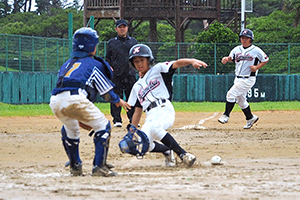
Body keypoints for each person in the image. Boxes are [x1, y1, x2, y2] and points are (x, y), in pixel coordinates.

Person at [49, 27, 131, 177]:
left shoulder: (68, 63)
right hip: (76, 98)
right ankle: (99, 166)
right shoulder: (94, 64)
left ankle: (75, 166)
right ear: (93, 47)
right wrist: (119, 101)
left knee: (70, 127)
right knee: (103, 126)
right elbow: (106, 93)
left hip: (55, 100)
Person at [123, 44, 208, 167]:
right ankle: (166, 150)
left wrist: (192, 61)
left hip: (164, 109)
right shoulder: (136, 87)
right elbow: (137, 110)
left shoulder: (158, 69)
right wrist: (132, 130)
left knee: (155, 128)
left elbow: (177, 63)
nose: (139, 64)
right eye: (136, 61)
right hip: (150, 115)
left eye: (142, 60)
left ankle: (183, 154)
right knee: (141, 144)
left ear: (149, 60)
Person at [218, 29, 269, 129]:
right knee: (241, 100)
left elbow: (265, 59)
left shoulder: (256, 50)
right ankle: (250, 118)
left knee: (231, 94)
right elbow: (231, 59)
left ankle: (226, 115)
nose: (244, 40)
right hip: (237, 78)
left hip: (248, 78)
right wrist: (226, 59)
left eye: (246, 38)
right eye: (242, 38)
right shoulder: (236, 49)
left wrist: (256, 67)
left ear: (251, 39)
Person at [105, 19, 138, 128]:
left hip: (130, 74)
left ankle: (133, 119)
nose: (122, 29)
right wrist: (109, 69)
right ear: (116, 29)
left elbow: (137, 57)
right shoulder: (111, 43)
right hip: (116, 75)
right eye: (120, 27)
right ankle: (117, 120)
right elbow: (107, 58)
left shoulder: (133, 42)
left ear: (127, 28)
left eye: (124, 27)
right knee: (116, 97)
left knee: (131, 98)